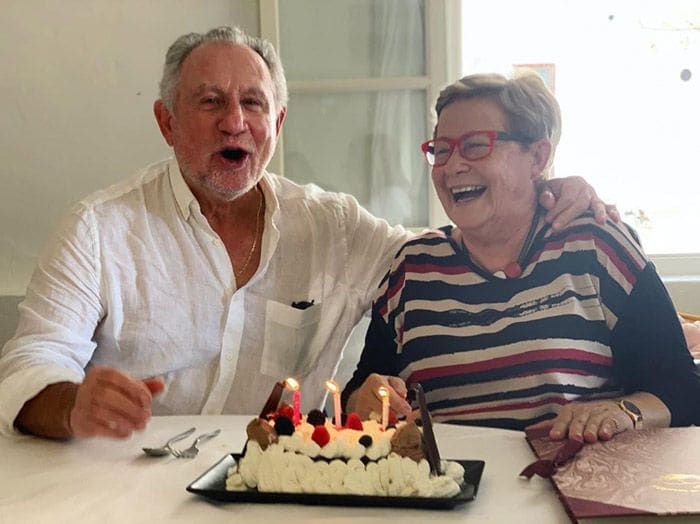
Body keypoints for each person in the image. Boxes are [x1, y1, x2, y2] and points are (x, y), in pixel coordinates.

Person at [0, 27, 614, 440]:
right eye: (209, 102)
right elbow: (29, 369)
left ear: (278, 122)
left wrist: (544, 195)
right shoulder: (98, 228)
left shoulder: (335, 226)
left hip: (279, 489)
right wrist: (72, 406)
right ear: (166, 121)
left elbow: (455, 250)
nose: (234, 121)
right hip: (123, 488)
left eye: (253, 103)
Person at [342, 72, 700, 443]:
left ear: (538, 156)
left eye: (476, 145)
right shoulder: (412, 268)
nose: (451, 166)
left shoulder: (597, 249)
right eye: (442, 149)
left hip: (570, 489)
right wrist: (362, 399)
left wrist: (622, 411)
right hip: (445, 491)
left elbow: (682, 391)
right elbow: (361, 392)